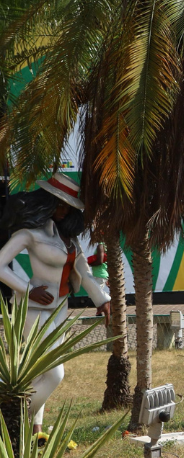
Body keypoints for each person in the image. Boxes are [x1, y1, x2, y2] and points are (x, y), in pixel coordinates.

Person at [0, 174, 111, 435]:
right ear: (45, 202)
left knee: (38, 372)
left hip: (60, 308)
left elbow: (82, 271)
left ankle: (34, 427)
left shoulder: (69, 239)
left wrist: (103, 301)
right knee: (54, 373)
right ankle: (11, 417)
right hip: (33, 311)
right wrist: (28, 290)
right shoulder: (29, 234)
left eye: (67, 206)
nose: (63, 210)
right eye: (58, 203)